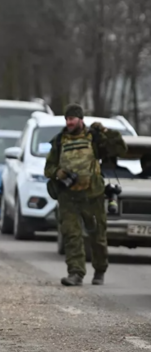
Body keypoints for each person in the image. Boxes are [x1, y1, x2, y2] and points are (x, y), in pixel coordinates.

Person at [45, 104, 126, 287]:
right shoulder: (59, 141)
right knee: (72, 235)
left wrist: (106, 131)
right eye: (66, 119)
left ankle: (100, 269)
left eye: (72, 119)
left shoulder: (94, 138)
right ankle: (75, 273)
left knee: (97, 236)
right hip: (68, 197)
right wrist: (59, 173)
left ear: (81, 119)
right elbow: (48, 168)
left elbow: (120, 149)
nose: (69, 122)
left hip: (93, 196)